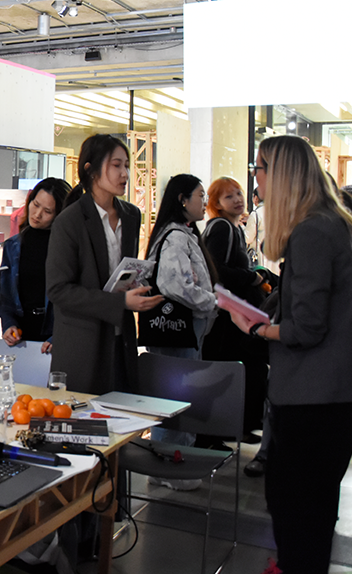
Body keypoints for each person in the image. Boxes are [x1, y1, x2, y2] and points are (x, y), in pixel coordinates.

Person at [227, 135, 352, 574]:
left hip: (317, 396)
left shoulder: (312, 231)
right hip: (336, 394)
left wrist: (257, 327)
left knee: (296, 507)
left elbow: (307, 329)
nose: (256, 180)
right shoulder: (333, 222)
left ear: (283, 175)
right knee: (312, 507)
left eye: (260, 169)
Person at [46, 134, 163, 395]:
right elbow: (58, 290)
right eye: (116, 165)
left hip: (122, 339)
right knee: (86, 425)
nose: (125, 174)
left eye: (126, 165)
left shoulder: (131, 215)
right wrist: (121, 303)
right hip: (83, 344)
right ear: (91, 170)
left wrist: (137, 285)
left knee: (124, 419)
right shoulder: (70, 221)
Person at [142, 174, 217, 490]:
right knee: (179, 401)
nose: (204, 202)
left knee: (170, 399)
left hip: (178, 332)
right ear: (182, 200)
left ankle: (163, 466)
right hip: (178, 331)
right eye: (200, 195)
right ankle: (170, 468)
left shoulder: (178, 234)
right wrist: (211, 301)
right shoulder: (175, 237)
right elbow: (175, 284)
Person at [201, 176, 270, 443]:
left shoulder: (229, 226)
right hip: (228, 316)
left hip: (228, 313)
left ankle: (233, 427)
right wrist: (250, 278)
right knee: (241, 368)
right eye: (229, 197)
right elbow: (216, 271)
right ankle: (228, 428)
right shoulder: (222, 227)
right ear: (216, 203)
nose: (238, 200)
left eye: (239, 194)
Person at [0, 178, 72, 351]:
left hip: (56, 337)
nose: (37, 214)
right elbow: (6, 297)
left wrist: (59, 336)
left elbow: (74, 298)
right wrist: (9, 325)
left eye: (47, 211)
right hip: (22, 338)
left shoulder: (68, 248)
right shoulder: (12, 246)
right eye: (35, 204)